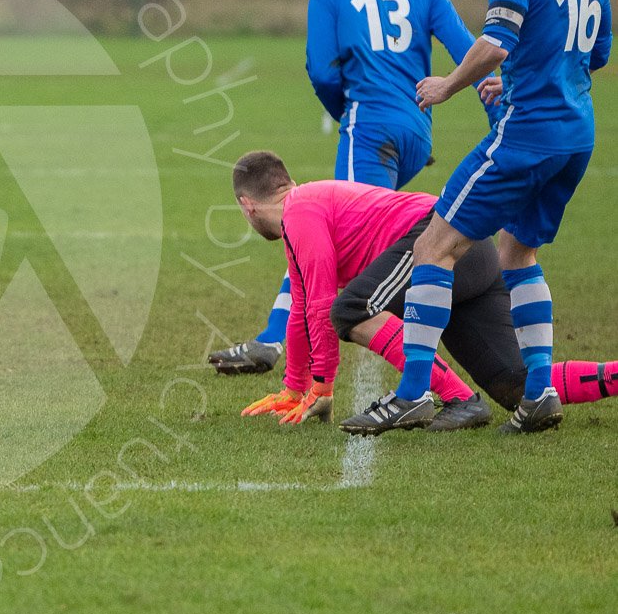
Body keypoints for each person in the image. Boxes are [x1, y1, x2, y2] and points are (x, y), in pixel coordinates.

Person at [343, 0, 612, 435]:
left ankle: (413, 393)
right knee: (519, 251)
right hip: (576, 136)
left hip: (525, 136)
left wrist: (448, 84)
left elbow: (495, 41)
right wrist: (515, 78)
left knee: (434, 247)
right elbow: (592, 57)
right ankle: (539, 391)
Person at [210, 0, 494, 375]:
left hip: (370, 129)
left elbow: (321, 70)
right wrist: (497, 113)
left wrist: (344, 112)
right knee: (351, 232)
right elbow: (472, 56)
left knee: (313, 229)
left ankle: (274, 342)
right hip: (418, 132)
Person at [229, 152, 617, 431]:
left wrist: (322, 387)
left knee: (351, 309)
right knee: (519, 386)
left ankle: (457, 399)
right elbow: (299, 309)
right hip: (472, 252)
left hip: (437, 243)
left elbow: (320, 306)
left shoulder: (299, 211)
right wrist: (295, 387)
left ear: (248, 206)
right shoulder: (304, 207)